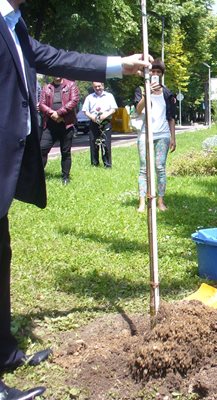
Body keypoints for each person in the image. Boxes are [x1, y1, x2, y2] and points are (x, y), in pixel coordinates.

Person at [0, 0, 150, 397]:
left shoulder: (14, 24)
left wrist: (121, 64)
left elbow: (56, 57)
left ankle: (4, 352)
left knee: (1, 255)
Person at [134, 60, 177, 212]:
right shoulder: (141, 90)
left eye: (159, 72)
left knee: (160, 168)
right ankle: (141, 202)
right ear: (148, 73)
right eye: (153, 71)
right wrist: (147, 94)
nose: (155, 74)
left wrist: (173, 137)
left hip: (163, 134)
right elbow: (138, 110)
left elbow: (171, 117)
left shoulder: (167, 92)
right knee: (144, 169)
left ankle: (160, 201)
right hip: (145, 134)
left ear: (162, 75)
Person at [38, 77, 79, 185]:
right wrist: (52, 113)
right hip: (50, 125)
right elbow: (41, 104)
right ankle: (38, 177)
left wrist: (59, 113)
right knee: (42, 149)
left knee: (65, 152)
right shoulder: (46, 87)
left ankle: (65, 177)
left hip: (66, 124)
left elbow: (74, 101)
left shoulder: (71, 85)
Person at [82, 81, 117, 168]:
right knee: (94, 144)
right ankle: (94, 164)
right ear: (93, 87)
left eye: (99, 86)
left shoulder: (109, 96)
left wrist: (105, 115)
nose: (97, 88)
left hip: (106, 122)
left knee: (106, 144)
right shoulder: (89, 97)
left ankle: (107, 165)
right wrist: (92, 117)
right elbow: (85, 110)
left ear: (103, 86)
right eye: (95, 87)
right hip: (94, 122)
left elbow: (113, 109)